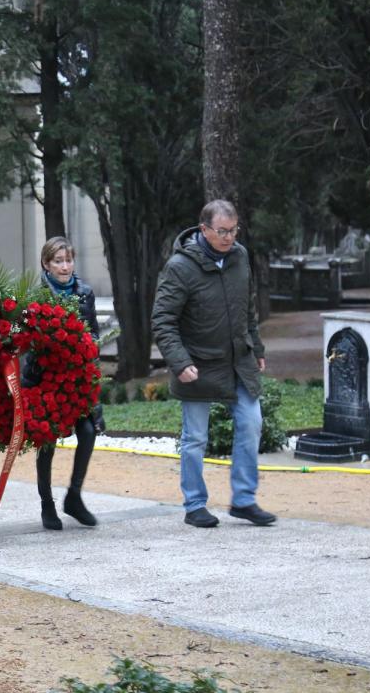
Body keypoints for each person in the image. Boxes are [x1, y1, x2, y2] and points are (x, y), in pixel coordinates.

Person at [151, 199, 276, 528]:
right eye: (222, 231)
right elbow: (163, 320)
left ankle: (244, 500)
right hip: (197, 364)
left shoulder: (240, 256)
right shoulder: (180, 266)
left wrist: (257, 347)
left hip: (238, 360)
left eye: (234, 230)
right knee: (195, 438)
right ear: (203, 229)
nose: (229, 237)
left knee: (251, 423)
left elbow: (246, 308)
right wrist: (180, 363)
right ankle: (194, 505)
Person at [33, 236, 103, 530]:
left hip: (77, 378)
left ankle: (74, 496)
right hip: (45, 376)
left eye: (68, 260)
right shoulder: (37, 294)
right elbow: (30, 340)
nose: (65, 266)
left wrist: (87, 348)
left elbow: (95, 333)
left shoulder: (84, 292)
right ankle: (47, 504)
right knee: (46, 441)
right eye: (58, 261)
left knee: (87, 431)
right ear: (47, 264)